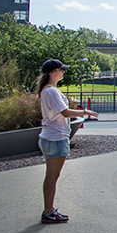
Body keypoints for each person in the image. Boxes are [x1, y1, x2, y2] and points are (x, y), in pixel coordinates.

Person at [35, 58, 98, 224]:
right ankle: (48, 212)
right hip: (55, 138)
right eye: (60, 69)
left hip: (52, 136)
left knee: (52, 176)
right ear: (52, 72)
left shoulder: (49, 90)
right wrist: (85, 112)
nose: (63, 72)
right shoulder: (51, 91)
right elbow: (65, 112)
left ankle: (49, 210)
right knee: (52, 177)